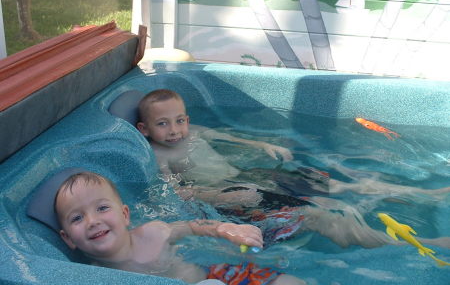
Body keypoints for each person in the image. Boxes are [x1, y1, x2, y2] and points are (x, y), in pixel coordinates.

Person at [136, 89, 450, 207]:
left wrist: (260, 142)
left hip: (250, 172)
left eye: (179, 120)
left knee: (335, 185)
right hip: (235, 187)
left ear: (187, 119)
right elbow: (170, 191)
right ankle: (407, 199)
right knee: (328, 201)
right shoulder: (158, 154)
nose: (175, 130)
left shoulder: (196, 132)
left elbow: (232, 139)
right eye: (163, 124)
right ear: (144, 130)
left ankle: (419, 195)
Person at [54, 171, 307, 285]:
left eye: (102, 208)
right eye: (77, 218)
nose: (93, 221)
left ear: (124, 214)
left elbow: (192, 225)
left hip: (215, 276)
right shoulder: (92, 276)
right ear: (67, 239)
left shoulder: (153, 232)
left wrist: (226, 229)